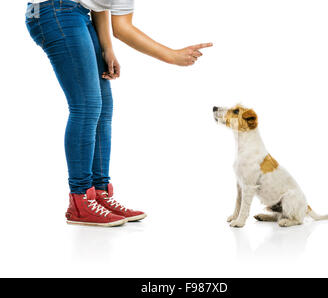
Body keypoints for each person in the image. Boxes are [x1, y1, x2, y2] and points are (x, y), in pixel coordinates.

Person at [25, 0, 212, 227]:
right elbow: (123, 29)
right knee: (86, 106)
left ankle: (99, 194)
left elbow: (101, 4)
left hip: (77, 13)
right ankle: (80, 201)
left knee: (103, 105)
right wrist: (172, 55)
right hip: (54, 10)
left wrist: (107, 48)